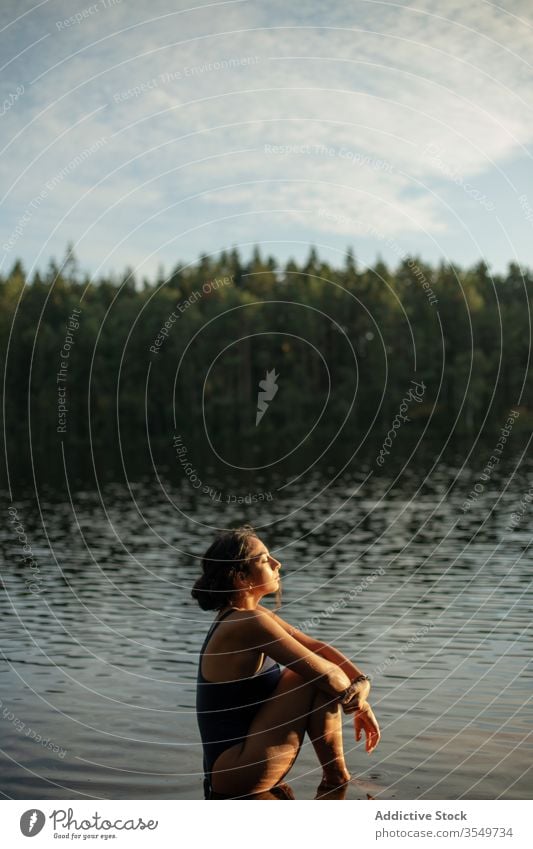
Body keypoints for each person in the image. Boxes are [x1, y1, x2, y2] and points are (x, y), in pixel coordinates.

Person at [192, 525, 380, 799]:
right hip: (236, 773)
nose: (277, 563)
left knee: (308, 672)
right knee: (308, 676)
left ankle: (336, 779)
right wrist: (358, 701)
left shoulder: (250, 615)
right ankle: (337, 781)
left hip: (233, 772)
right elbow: (327, 676)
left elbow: (318, 647)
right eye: (264, 560)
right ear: (241, 577)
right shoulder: (247, 624)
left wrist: (362, 684)